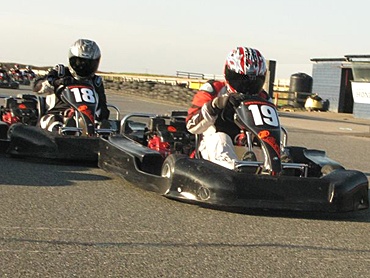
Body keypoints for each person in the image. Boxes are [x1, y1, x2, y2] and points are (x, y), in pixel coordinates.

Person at [186, 46, 270, 170]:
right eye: (241, 80)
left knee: (269, 143)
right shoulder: (213, 89)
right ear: (228, 74)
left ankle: (275, 171)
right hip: (212, 149)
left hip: (249, 147)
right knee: (221, 138)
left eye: (253, 81)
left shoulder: (263, 97)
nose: (246, 86)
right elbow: (191, 126)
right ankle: (235, 171)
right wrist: (214, 106)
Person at [39, 39, 110, 132]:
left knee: (102, 125)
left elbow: (103, 109)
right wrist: (57, 82)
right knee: (55, 122)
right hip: (59, 115)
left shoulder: (96, 81)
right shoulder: (61, 73)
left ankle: (96, 134)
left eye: (88, 63)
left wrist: (101, 118)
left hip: (87, 118)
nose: (83, 66)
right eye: (79, 62)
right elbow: (37, 86)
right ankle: (63, 132)